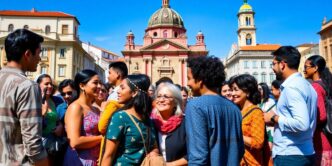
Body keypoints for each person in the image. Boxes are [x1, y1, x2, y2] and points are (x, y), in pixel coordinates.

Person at [0, 29, 48, 165]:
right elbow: (33, 144)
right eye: (39, 53)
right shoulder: (27, 86)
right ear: (27, 54)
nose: (40, 58)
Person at [185, 56, 244, 166]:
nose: (188, 83)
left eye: (189, 78)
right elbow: (240, 150)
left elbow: (198, 157)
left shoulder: (195, 106)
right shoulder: (234, 108)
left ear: (200, 80)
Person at [264, 46, 318, 166]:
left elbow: (301, 123)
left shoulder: (291, 88)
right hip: (305, 152)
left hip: (290, 155)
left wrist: (274, 118)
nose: (272, 68)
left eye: (273, 64)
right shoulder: (307, 86)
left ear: (282, 65)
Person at [101, 74, 159, 165]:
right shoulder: (120, 117)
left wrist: (153, 153)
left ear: (134, 92)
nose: (118, 91)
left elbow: (154, 146)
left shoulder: (148, 119)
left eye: (122, 88)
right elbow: (108, 155)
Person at [63, 69, 102, 166]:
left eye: (100, 83)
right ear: (82, 86)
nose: (99, 86)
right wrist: (102, 138)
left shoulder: (96, 109)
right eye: (95, 83)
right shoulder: (76, 107)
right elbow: (74, 141)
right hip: (80, 161)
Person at [230, 74, 266, 165]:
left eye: (236, 90)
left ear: (247, 92)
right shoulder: (235, 110)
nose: (232, 94)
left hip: (251, 162)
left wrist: (235, 134)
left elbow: (258, 142)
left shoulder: (256, 112)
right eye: (232, 90)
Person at [303, 55, 332, 165]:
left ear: (315, 68)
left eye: (306, 67)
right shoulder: (326, 83)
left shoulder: (316, 87)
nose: (304, 70)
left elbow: (321, 116)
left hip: (321, 137)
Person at [150, 83, 187, 165]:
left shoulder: (185, 123)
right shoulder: (150, 123)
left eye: (166, 97)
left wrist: (170, 165)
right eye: (158, 96)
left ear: (175, 102)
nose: (161, 100)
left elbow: (194, 153)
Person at [258, 82, 276, 149]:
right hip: (260, 129)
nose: (258, 91)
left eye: (260, 89)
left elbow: (273, 115)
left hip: (269, 130)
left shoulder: (270, 101)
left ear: (264, 90)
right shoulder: (256, 101)